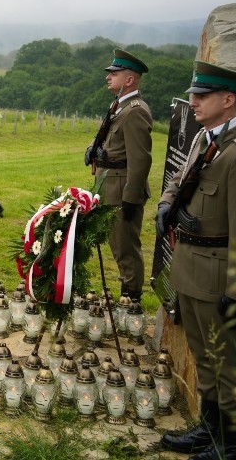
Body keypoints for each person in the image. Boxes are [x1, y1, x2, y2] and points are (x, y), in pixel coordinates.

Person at [157, 61, 236, 460]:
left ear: (228, 100)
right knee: (205, 359)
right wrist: (167, 203)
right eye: (193, 95)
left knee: (227, 365)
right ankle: (209, 430)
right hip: (189, 268)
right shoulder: (203, 140)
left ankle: (231, 446)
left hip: (217, 276)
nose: (193, 102)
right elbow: (179, 179)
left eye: (201, 96)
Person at [84, 49, 152, 301]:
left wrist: (131, 198)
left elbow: (140, 158)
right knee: (116, 244)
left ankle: (131, 300)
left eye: (114, 73)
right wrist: (94, 149)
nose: (108, 77)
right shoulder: (119, 106)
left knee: (125, 248)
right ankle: (126, 294)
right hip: (109, 185)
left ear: (130, 79)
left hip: (122, 190)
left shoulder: (135, 110)